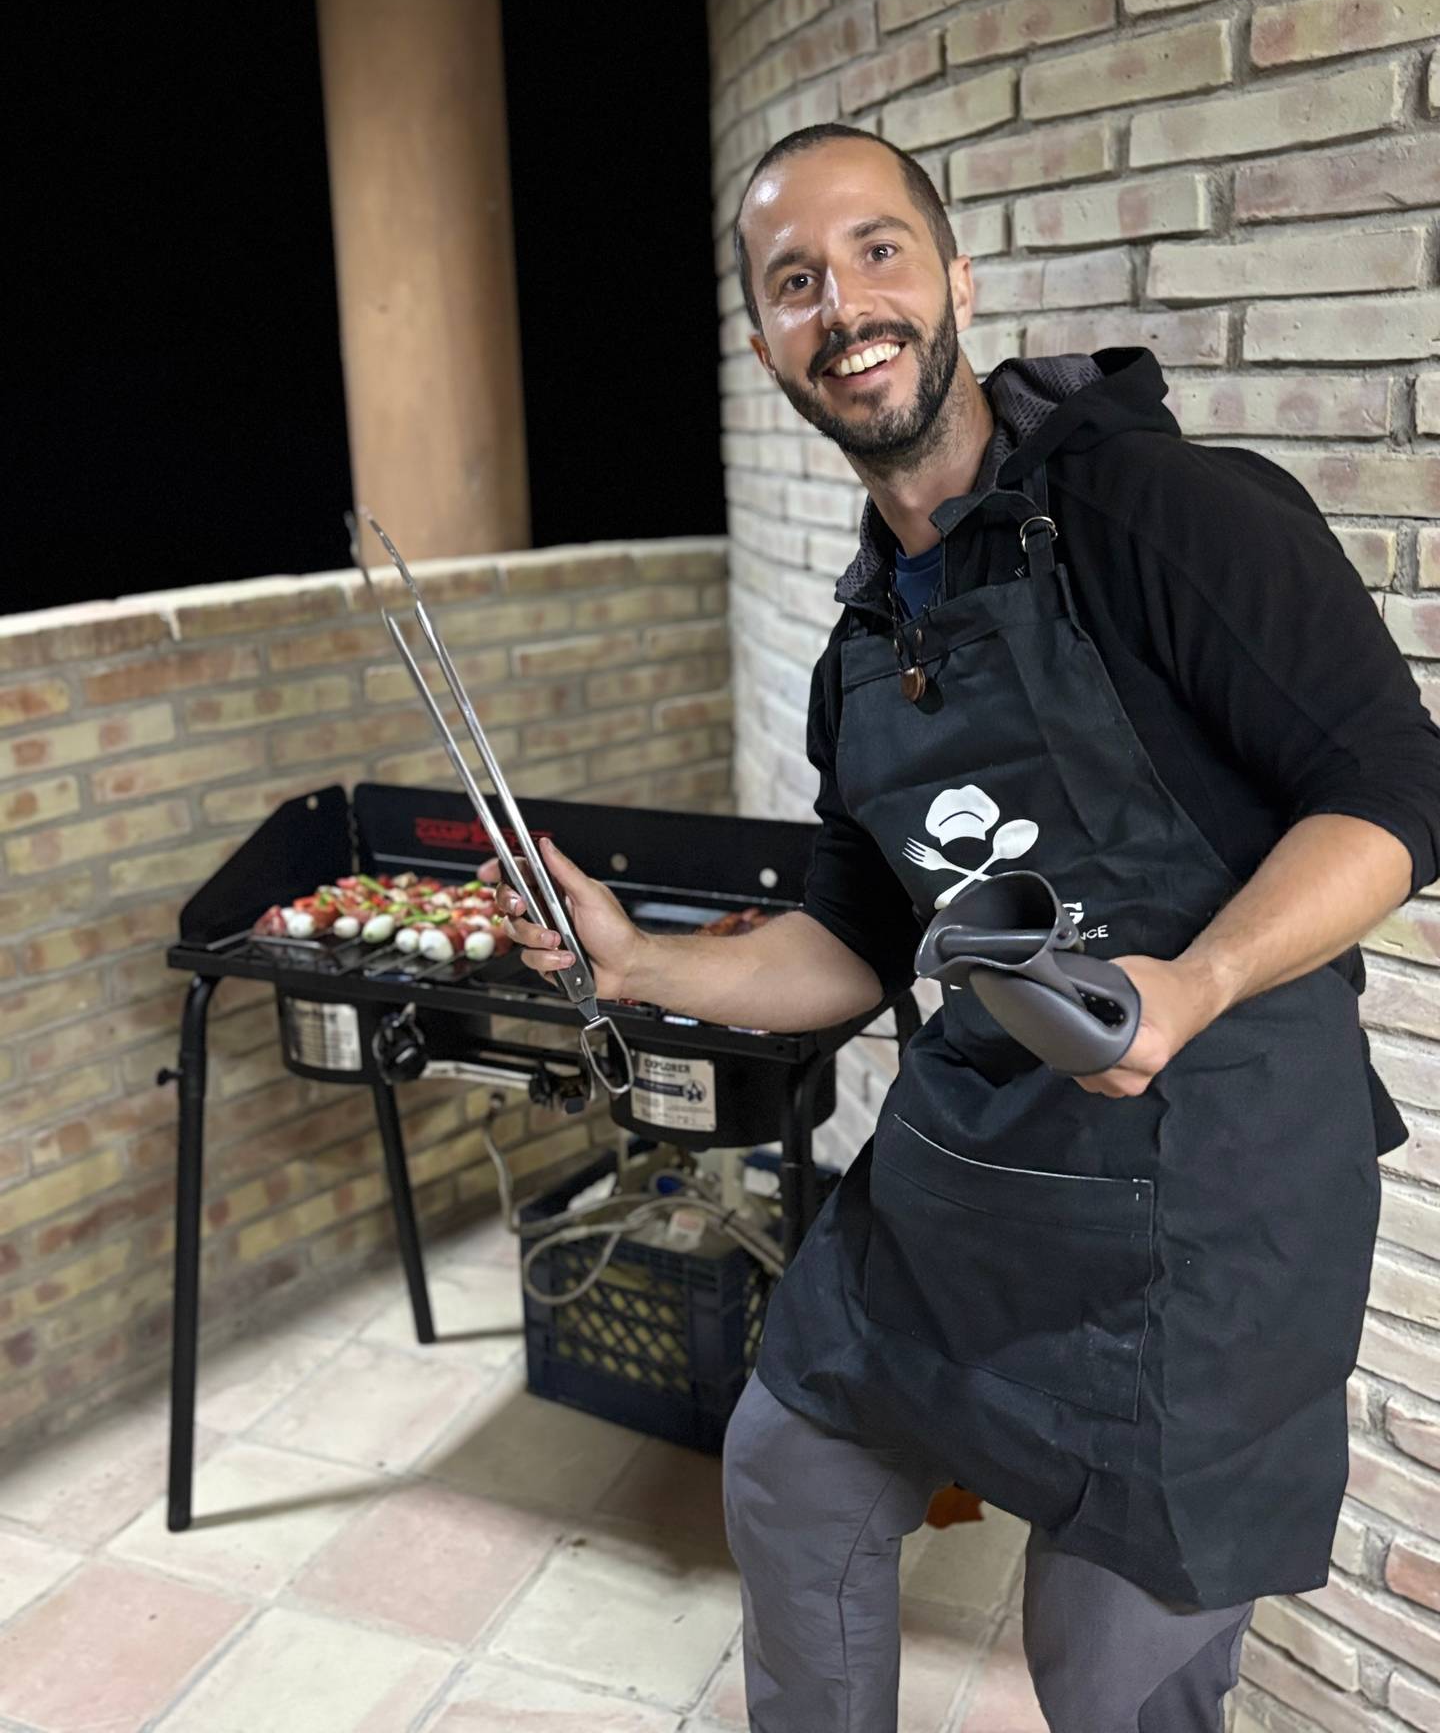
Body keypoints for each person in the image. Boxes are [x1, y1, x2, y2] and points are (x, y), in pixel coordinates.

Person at [483, 123, 1440, 1732]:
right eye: (795, 282)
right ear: (766, 343)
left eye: (877, 252)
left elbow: (1396, 792)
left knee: (1110, 1666)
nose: (844, 305)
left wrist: (1195, 981)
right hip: (985, 1162)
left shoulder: (1163, 514)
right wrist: (635, 963)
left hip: (1214, 1195)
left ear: (955, 278)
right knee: (792, 1463)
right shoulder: (862, 647)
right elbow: (855, 946)